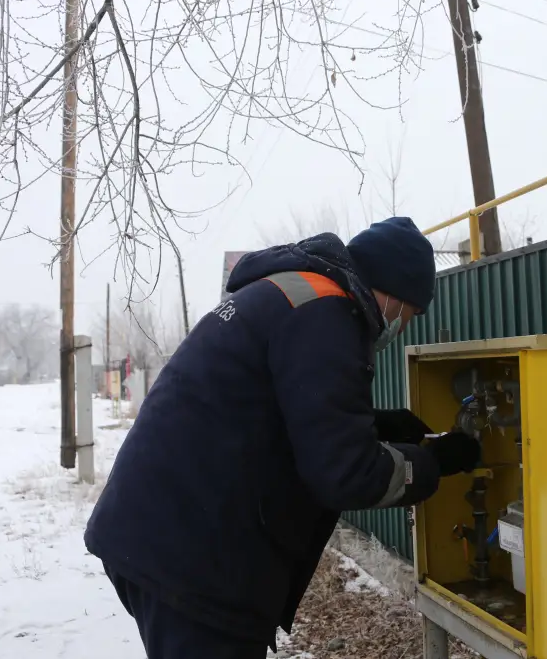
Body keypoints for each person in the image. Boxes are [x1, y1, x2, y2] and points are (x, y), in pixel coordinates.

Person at [84, 217, 481, 659]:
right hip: (191, 559)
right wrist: (432, 463)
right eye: (408, 313)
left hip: (163, 531)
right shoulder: (326, 312)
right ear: (390, 288)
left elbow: (276, 408)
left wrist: (377, 424)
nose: (403, 326)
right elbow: (345, 473)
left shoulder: (291, 294)